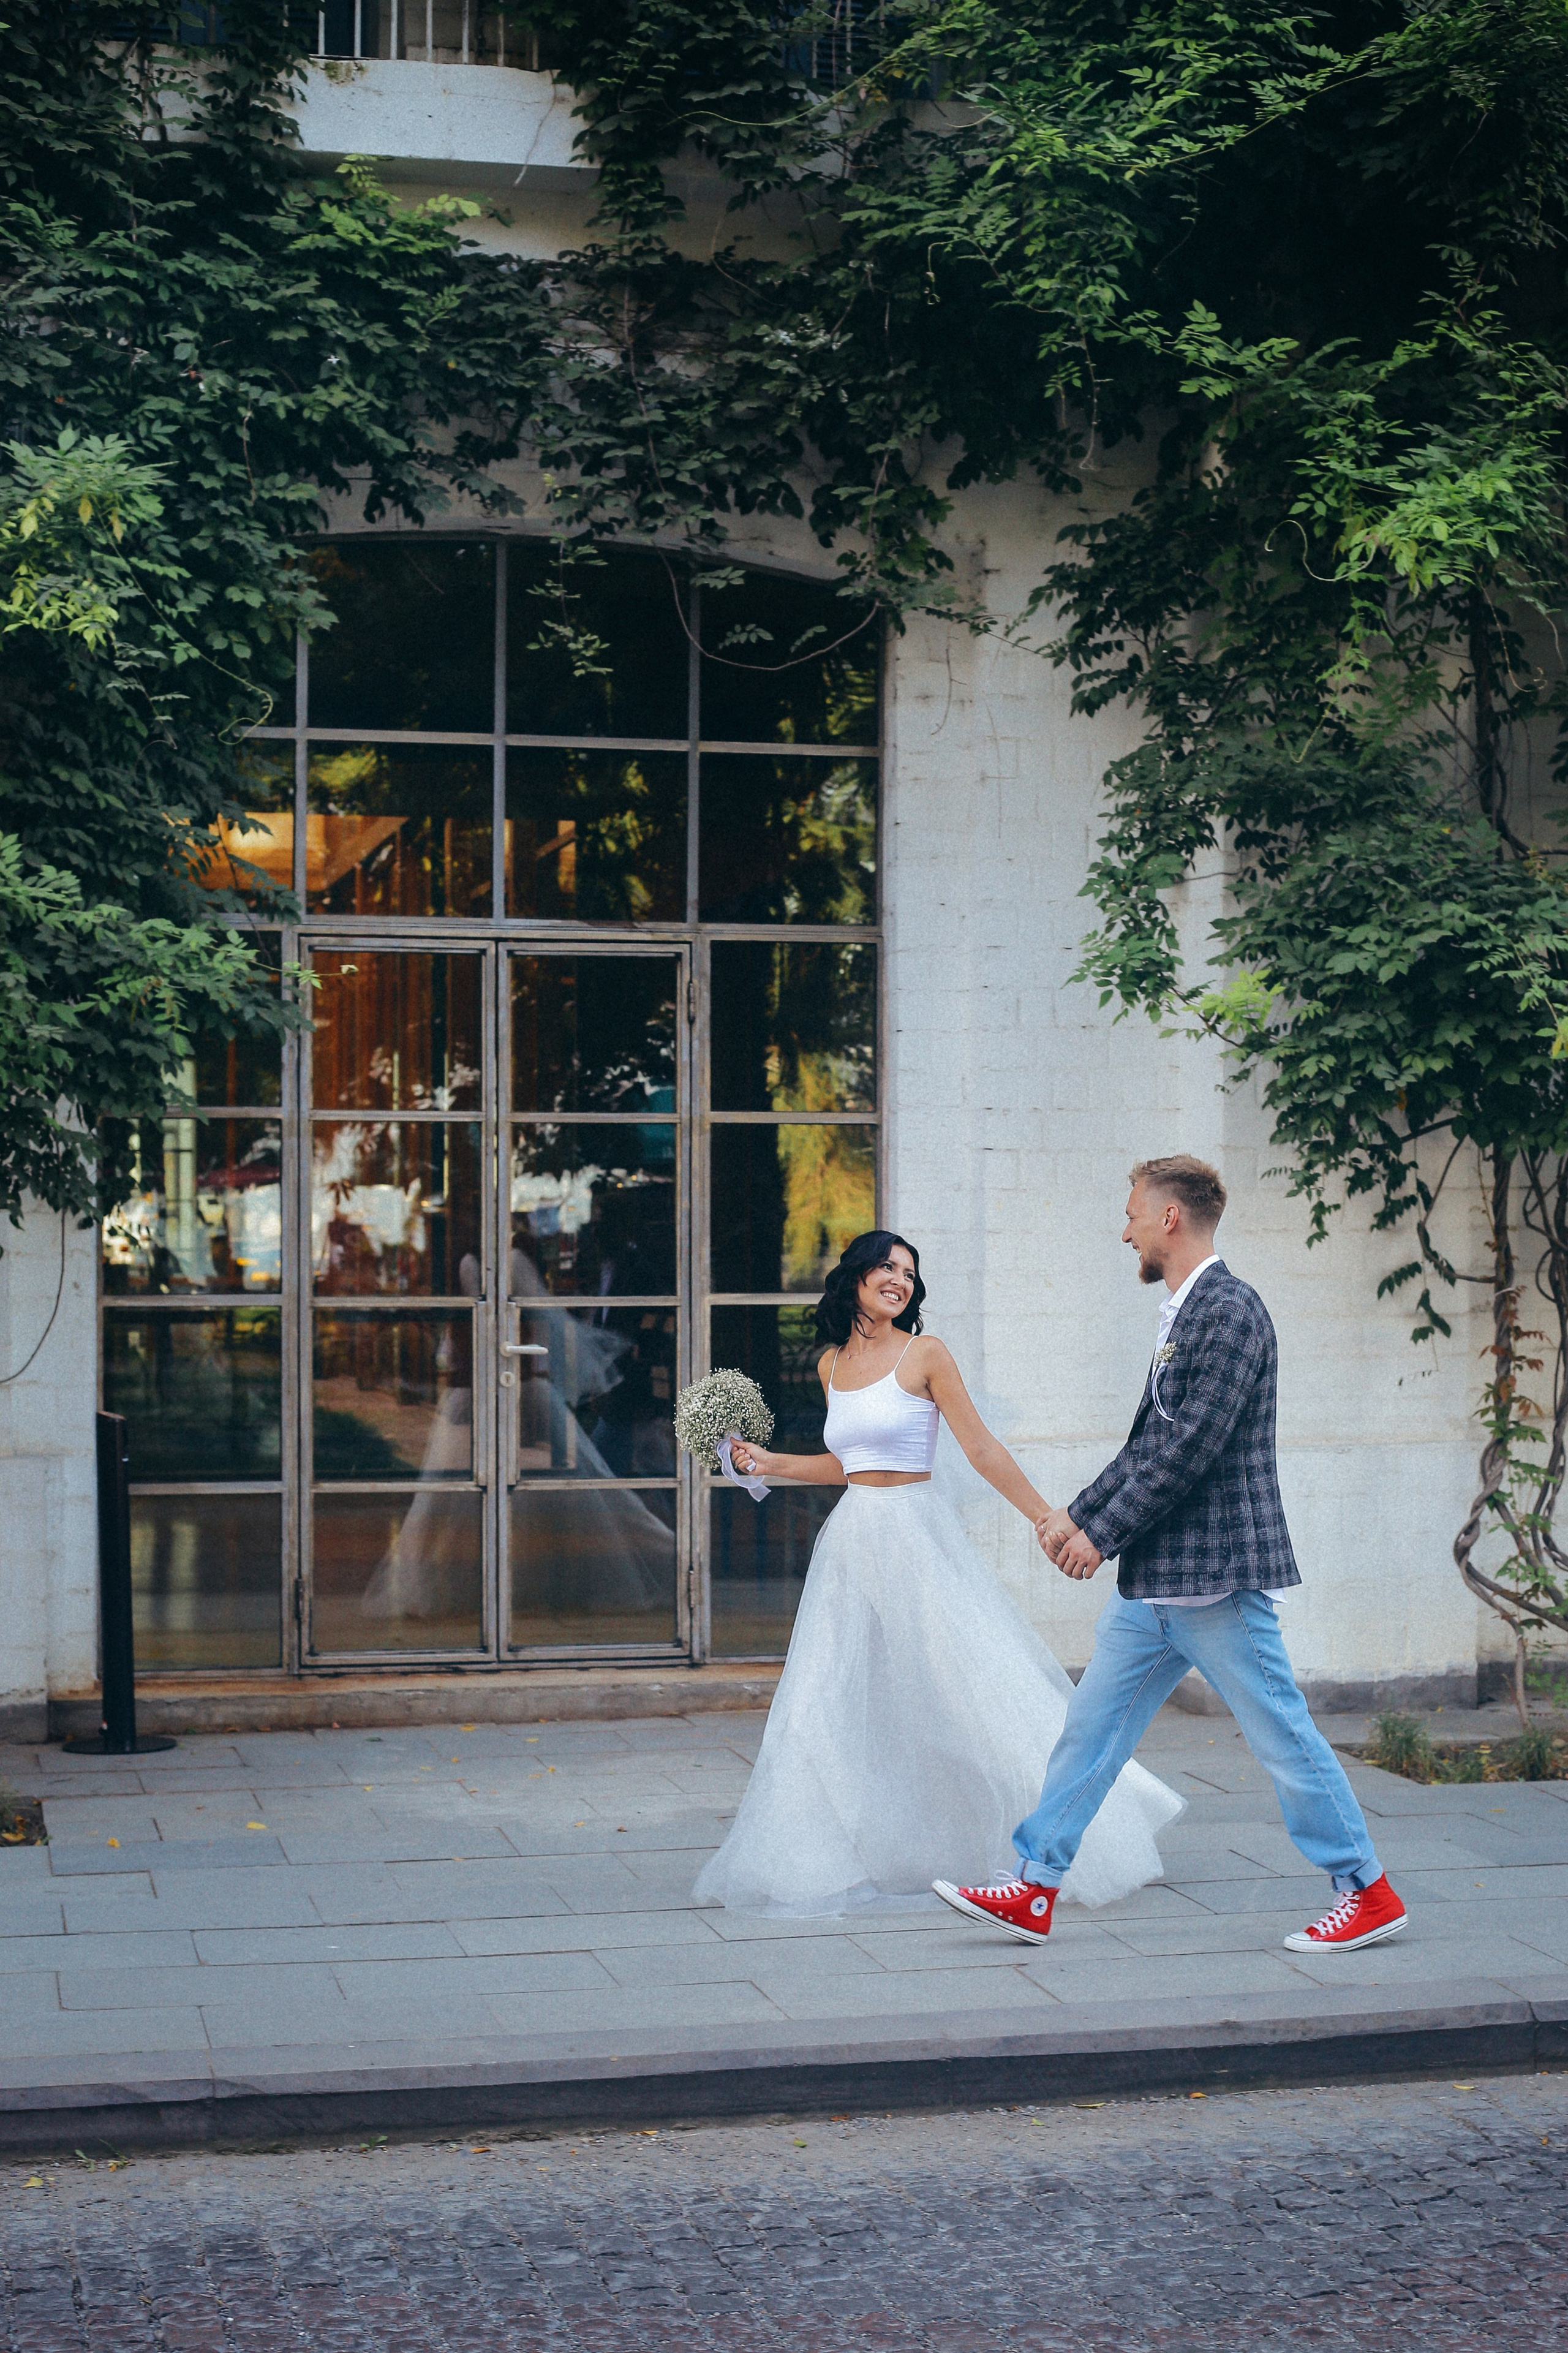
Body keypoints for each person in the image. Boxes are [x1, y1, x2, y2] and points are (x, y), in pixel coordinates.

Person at [934, 1157, 1408, 1956]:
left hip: (1217, 1580)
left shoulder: (1231, 1311)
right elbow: (1147, 1444)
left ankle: (1367, 1890)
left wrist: (1100, 1536)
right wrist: (1076, 1515)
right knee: (1089, 1733)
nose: (1124, 1232)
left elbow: (1191, 1448)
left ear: (1169, 1218)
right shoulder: (1183, 1313)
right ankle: (1035, 1886)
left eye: (1131, 1215)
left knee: (1282, 1737)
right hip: (1156, 1585)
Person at [694, 1230, 1182, 1915]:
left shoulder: (925, 1354)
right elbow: (849, 1464)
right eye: (887, 1267)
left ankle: (1077, 1831)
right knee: (823, 1696)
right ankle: (816, 1857)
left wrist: (1046, 1517)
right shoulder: (831, 1364)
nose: (900, 1280)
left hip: (915, 1536)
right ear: (856, 1277)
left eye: (909, 1272)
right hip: (852, 1543)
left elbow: (979, 1448)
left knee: (974, 1686)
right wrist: (769, 1462)